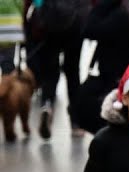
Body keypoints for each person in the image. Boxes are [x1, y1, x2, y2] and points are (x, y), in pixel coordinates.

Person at [25, 0, 87, 138]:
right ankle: (75, 123)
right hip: (75, 27)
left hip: (50, 26)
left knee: (50, 74)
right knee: (72, 73)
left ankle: (47, 105)